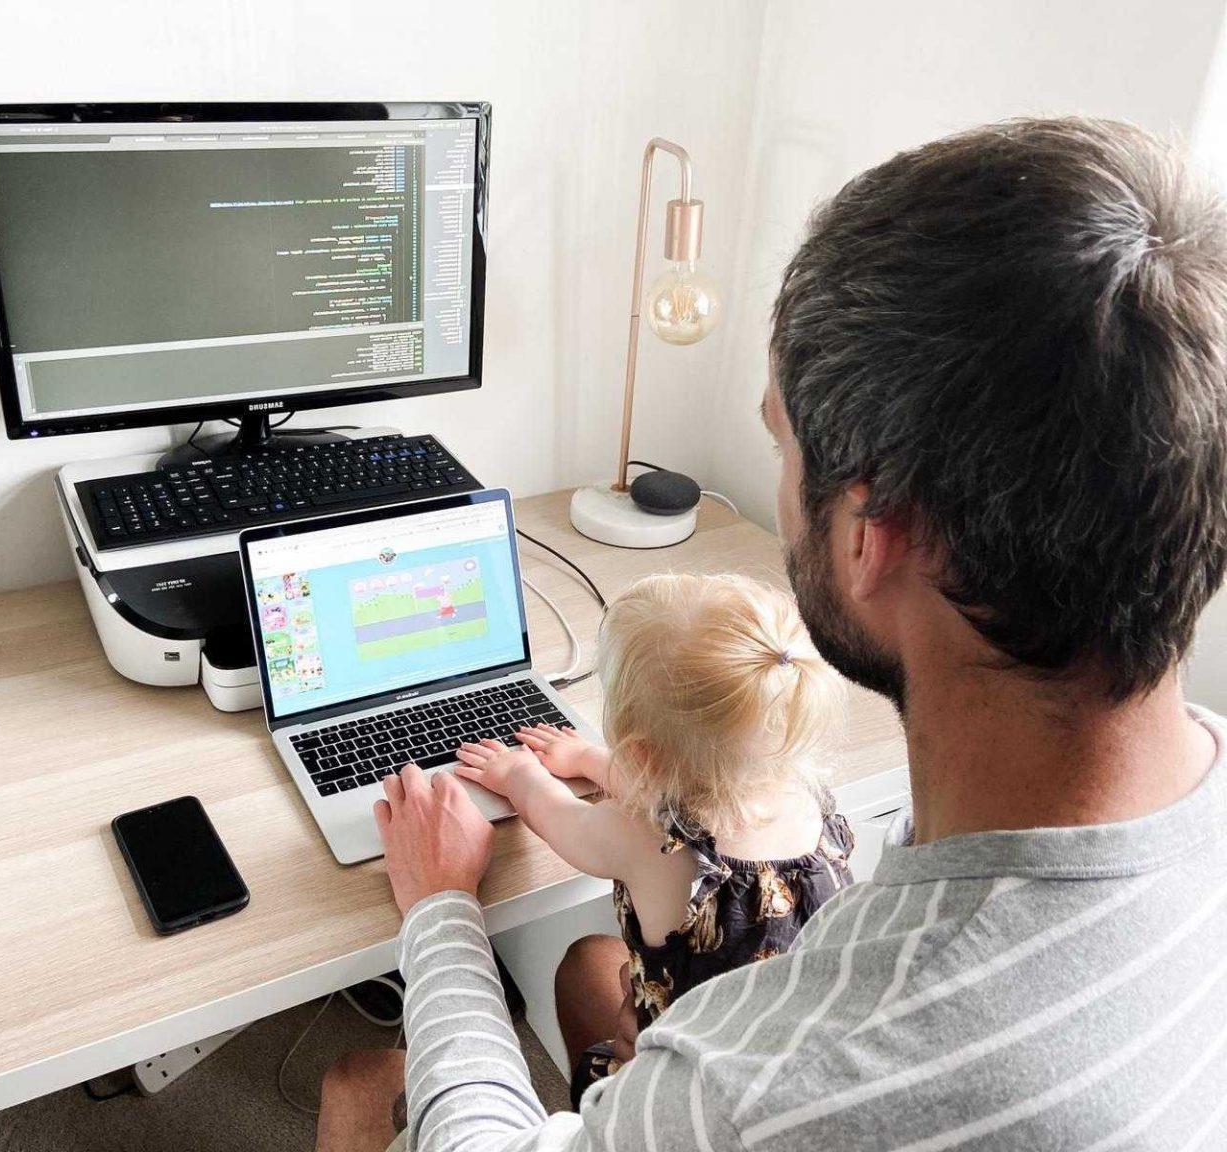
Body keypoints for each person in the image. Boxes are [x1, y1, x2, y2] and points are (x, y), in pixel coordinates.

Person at [318, 117, 1227, 1152]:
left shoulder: (780, 1087)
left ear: (870, 536)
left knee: (361, 1083)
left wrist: (439, 909)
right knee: (583, 977)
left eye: (780, 444)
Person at [450, 573, 853, 1107]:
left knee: (586, 969)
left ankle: (594, 1109)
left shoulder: (643, 838)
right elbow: (698, 793)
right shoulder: (806, 795)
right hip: (777, 1064)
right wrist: (593, 761)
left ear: (641, 758)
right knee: (596, 964)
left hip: (674, 1099)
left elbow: (560, 818)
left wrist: (517, 773)